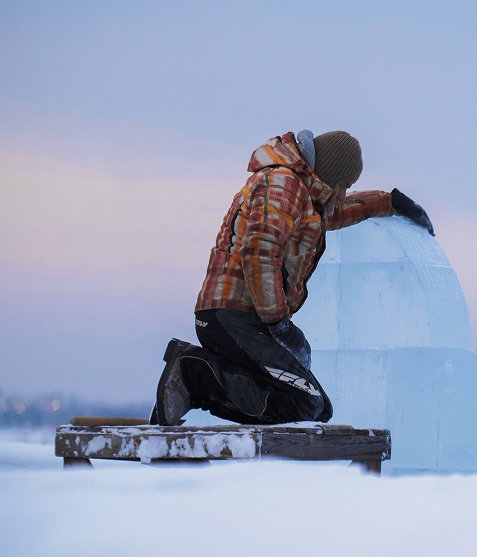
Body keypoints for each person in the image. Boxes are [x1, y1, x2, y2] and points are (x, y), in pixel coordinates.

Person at [150, 130, 433, 426]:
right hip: (231, 315)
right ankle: (192, 374)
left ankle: (190, 384)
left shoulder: (303, 194)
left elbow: (335, 213)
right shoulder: (283, 184)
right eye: (343, 186)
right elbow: (259, 251)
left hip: (247, 318)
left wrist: (391, 203)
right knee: (304, 403)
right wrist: (277, 322)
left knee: (317, 409)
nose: (342, 194)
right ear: (330, 176)